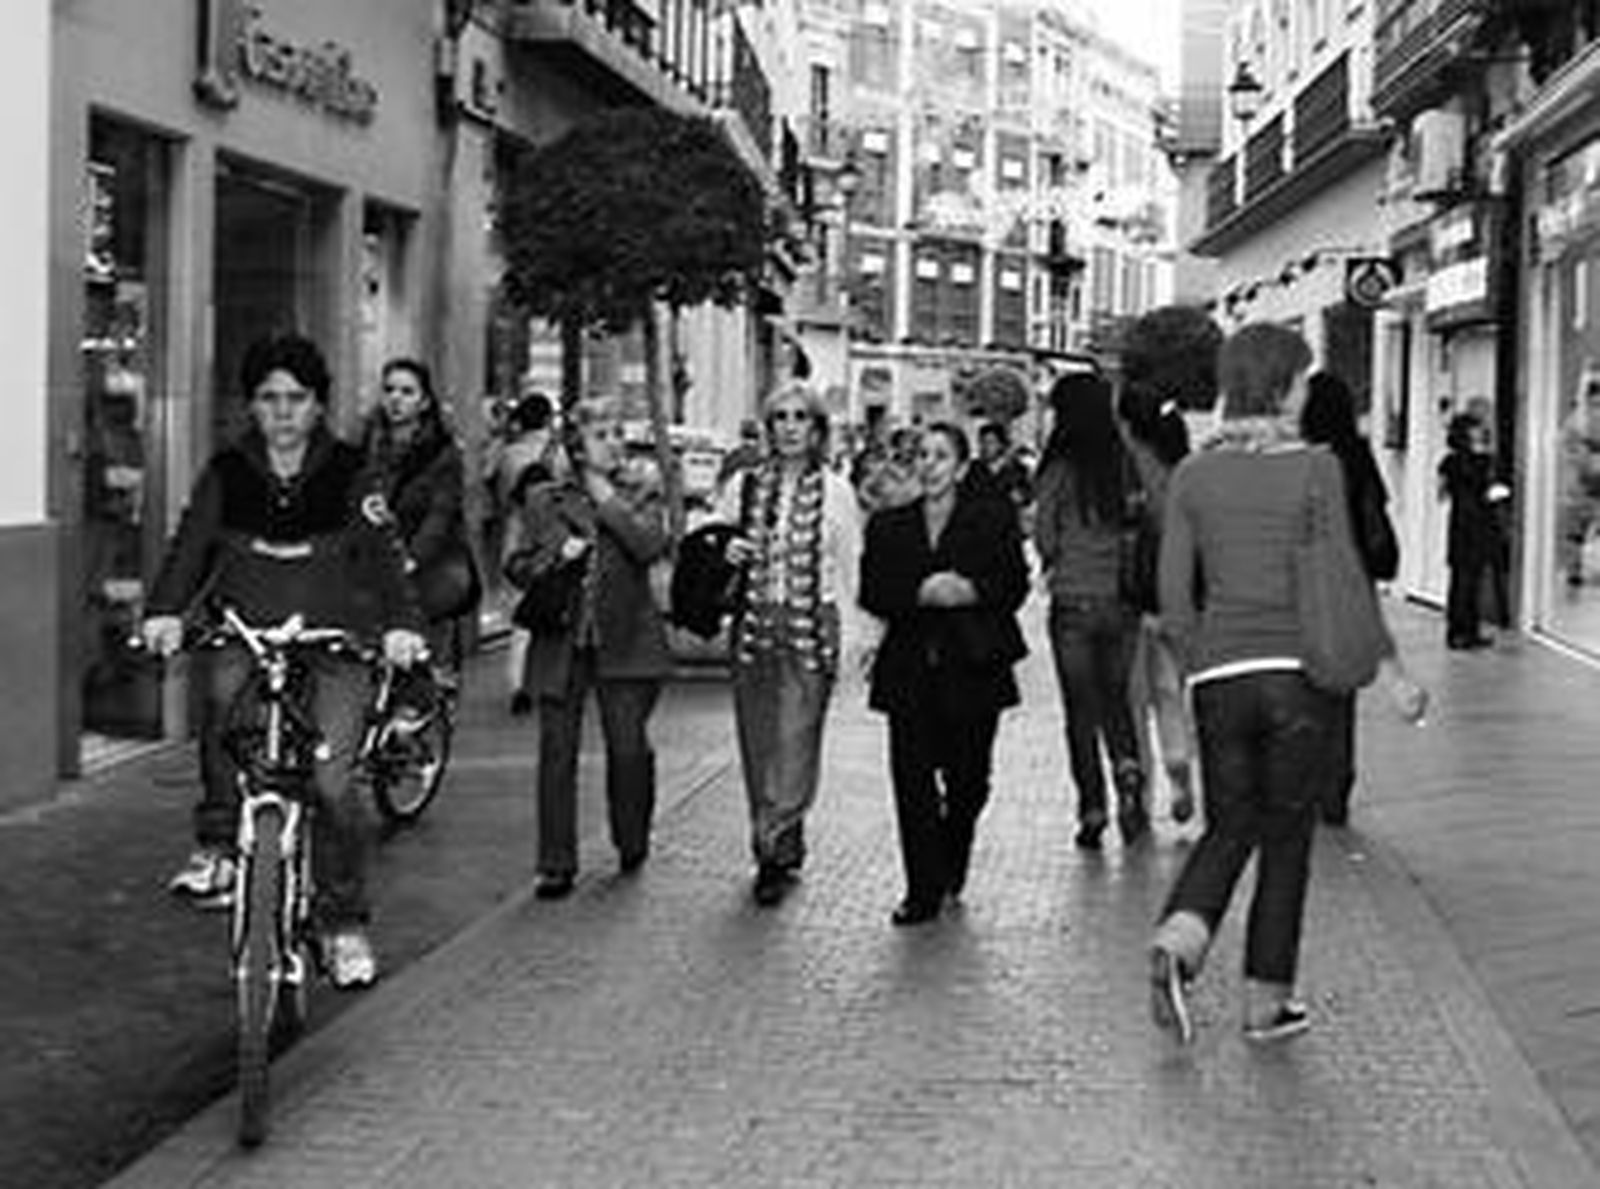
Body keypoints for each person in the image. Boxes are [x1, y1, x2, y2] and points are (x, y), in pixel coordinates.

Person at [1148, 323, 1426, 1045]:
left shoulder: (1193, 475)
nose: (1307, 392)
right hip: (1298, 680)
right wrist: (1391, 669)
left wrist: (1195, 661)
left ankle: (1180, 938)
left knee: (1231, 821)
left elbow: (1172, 592)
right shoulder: (1317, 468)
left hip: (1220, 676)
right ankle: (1265, 1003)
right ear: (1278, 385)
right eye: (1301, 379)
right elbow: (1345, 575)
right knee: (1287, 837)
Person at [140, 334, 428, 989]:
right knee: (219, 701)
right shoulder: (228, 472)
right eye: (268, 399)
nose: (283, 411)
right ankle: (216, 843)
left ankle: (344, 922)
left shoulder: (352, 472)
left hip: (336, 643)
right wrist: (164, 609)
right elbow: (191, 545)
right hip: (250, 632)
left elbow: (385, 558)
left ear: (318, 405)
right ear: (253, 406)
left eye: (296, 398)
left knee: (332, 785)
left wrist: (403, 628)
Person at [859, 422, 1029, 925]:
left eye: (941, 455)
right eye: (922, 455)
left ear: (959, 467)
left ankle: (953, 853)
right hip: (909, 670)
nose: (929, 464)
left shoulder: (991, 518)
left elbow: (1014, 584)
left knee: (969, 781)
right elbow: (873, 590)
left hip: (973, 668)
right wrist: (920, 593)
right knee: (911, 780)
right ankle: (922, 889)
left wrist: (970, 591)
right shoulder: (890, 525)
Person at [507, 394, 671, 900]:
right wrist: (554, 556)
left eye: (619, 433)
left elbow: (649, 545)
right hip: (563, 639)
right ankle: (555, 863)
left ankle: (631, 839)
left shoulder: (642, 490)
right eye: (603, 434)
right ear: (578, 444)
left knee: (628, 747)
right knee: (557, 752)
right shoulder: (544, 499)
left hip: (626, 640)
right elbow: (515, 564)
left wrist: (606, 501)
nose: (615, 443)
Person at [718, 381, 863, 907]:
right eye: (780, 417)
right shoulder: (744, 487)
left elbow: (852, 568)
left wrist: (859, 638)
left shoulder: (838, 492)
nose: (790, 426)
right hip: (755, 630)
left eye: (801, 417)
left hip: (809, 631)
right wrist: (727, 547)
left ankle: (773, 843)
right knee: (760, 745)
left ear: (818, 428)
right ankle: (780, 841)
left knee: (797, 744)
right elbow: (710, 539)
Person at [1033, 372, 1148, 849]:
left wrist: (1054, 560)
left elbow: (1045, 534)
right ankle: (1126, 763)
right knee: (1116, 698)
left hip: (1073, 602)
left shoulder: (1059, 468)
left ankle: (1092, 807)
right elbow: (1142, 520)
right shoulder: (1125, 464)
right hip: (1122, 601)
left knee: (1080, 710)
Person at [1301, 371, 1399, 825]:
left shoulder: (1299, 459)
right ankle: (1336, 784)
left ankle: (1303, 778)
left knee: (1302, 683)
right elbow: (1376, 509)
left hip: (1303, 582)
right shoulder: (1357, 454)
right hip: (1350, 582)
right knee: (1341, 689)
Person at [360, 358, 473, 680]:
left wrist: (411, 560)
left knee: (418, 623)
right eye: (389, 390)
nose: (396, 398)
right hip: (378, 555)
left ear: (424, 402)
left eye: (407, 392)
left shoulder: (443, 452)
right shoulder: (365, 443)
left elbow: (439, 517)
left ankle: (425, 691)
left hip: (432, 560)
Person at [1118, 383, 1197, 826]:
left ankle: (1141, 795)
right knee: (1171, 694)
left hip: (1133, 602)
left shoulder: (1128, 468)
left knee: (1133, 702)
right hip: (1178, 602)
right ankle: (1180, 769)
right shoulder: (1185, 468)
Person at [496, 392, 558, 716]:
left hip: (517, 535)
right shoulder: (560, 453)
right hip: (551, 535)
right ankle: (544, 679)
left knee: (520, 618)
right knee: (550, 609)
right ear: (548, 418)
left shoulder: (508, 455)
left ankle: (518, 683)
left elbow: (499, 496)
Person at [1439, 413, 1496, 650]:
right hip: (1476, 521)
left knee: (1460, 579)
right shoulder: (1481, 461)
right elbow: (1489, 492)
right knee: (1470, 580)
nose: (1480, 430)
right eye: (1476, 427)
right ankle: (1467, 632)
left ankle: (1457, 632)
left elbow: (1441, 494)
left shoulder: (1449, 461)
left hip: (1459, 521)